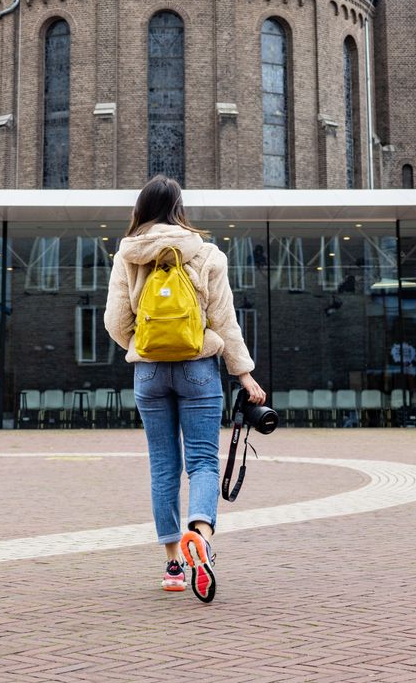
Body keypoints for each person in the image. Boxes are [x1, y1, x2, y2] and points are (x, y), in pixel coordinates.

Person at [104, 175, 266, 603]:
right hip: (198, 368)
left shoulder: (128, 255)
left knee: (163, 466)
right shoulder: (208, 253)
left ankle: (174, 563)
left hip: (149, 371)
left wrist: (142, 344)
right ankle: (201, 533)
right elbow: (225, 322)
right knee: (202, 461)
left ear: (141, 209)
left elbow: (114, 322)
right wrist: (244, 374)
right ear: (180, 208)